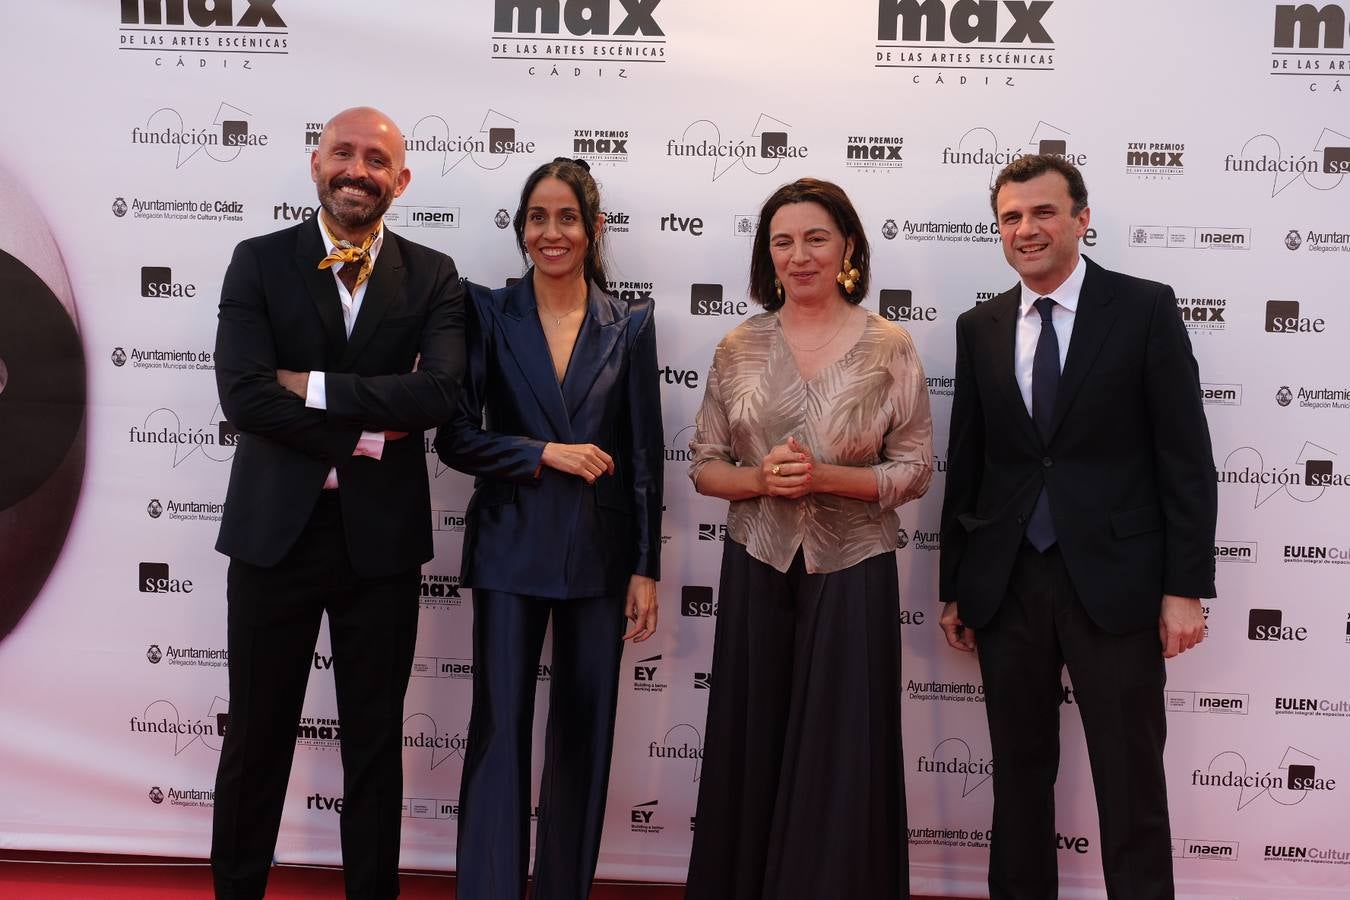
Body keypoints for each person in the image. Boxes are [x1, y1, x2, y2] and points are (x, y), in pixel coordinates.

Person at [938, 154, 1217, 899]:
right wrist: (958, 583)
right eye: (1011, 218)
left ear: (1082, 219)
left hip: (1118, 584)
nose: (1026, 229)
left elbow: (1186, 459)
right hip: (1010, 584)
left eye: (1043, 213)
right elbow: (969, 463)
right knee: (1019, 781)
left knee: (1130, 785)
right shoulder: (980, 325)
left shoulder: (1145, 308)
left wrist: (1185, 588)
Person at [210, 106, 465, 900]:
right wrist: (364, 432)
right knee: (256, 737)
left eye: (377, 160)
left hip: (379, 546)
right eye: (344, 154)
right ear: (316, 161)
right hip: (271, 538)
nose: (358, 171)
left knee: (372, 744)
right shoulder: (257, 261)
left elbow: (442, 392)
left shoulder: (434, 274)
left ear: (402, 178)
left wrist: (314, 387)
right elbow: (245, 398)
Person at [685, 178, 933, 900]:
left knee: (844, 750)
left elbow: (915, 469)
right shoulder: (739, 345)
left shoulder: (890, 345)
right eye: (783, 242)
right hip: (757, 560)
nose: (800, 255)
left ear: (847, 245)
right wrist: (762, 481)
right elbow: (704, 465)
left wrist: (826, 476)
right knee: (749, 737)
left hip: (853, 566)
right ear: (769, 255)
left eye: (816, 238)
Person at [434, 157, 663, 900]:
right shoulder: (486, 312)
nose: (552, 232)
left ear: (594, 229)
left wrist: (645, 567)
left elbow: (643, 457)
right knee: (500, 732)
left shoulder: (629, 322)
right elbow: (457, 438)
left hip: (599, 559)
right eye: (538, 217)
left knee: (584, 735)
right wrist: (541, 452)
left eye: (567, 217)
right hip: (509, 548)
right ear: (521, 227)